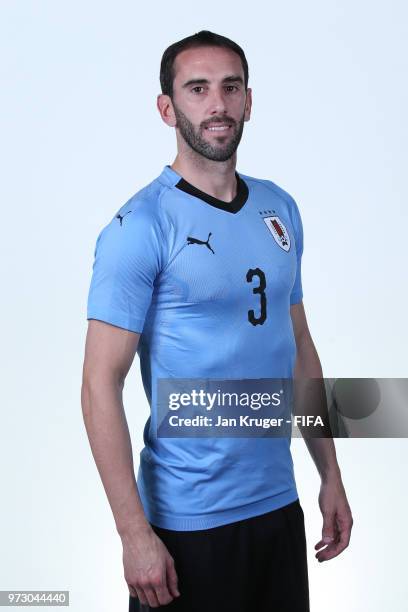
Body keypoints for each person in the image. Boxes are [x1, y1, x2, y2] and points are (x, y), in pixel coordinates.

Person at [81, 30, 353, 611]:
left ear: (249, 100)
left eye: (231, 88)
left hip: (278, 507)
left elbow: (298, 344)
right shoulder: (139, 227)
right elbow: (99, 384)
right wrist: (134, 535)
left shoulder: (279, 207)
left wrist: (329, 471)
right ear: (167, 108)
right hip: (188, 525)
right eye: (197, 88)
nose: (217, 104)